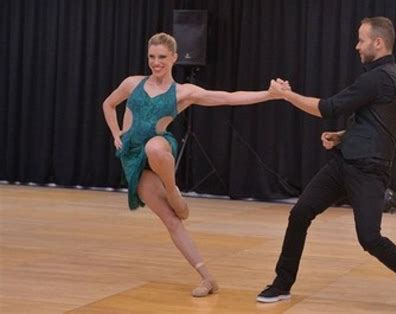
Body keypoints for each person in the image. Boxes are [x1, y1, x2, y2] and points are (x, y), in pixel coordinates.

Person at [256, 17, 396, 311]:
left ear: (378, 43)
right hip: (344, 163)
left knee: (370, 238)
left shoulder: (380, 78)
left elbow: (328, 108)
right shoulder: (385, 77)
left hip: (369, 170)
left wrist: (285, 95)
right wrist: (342, 137)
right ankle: (282, 283)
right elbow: (376, 123)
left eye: (361, 40)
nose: (356, 46)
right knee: (300, 213)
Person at [103, 32, 277, 297]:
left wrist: (269, 94)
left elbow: (228, 97)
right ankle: (208, 279)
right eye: (152, 56)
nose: (156, 62)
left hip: (161, 149)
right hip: (131, 157)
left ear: (174, 57)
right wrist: (116, 134)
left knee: (154, 146)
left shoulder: (182, 92)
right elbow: (108, 104)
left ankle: (172, 189)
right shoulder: (132, 84)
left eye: (162, 57)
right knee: (172, 221)